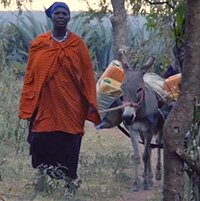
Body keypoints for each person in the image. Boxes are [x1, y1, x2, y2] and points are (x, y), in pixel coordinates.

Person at [18, 1, 101, 194]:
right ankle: (43, 179)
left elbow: (88, 75)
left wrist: (90, 101)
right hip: (45, 103)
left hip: (71, 105)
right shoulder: (39, 44)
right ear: (51, 17)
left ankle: (69, 183)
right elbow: (31, 75)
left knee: (69, 142)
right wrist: (30, 102)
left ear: (69, 17)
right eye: (58, 13)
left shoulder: (77, 44)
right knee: (40, 140)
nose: (61, 16)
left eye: (65, 13)